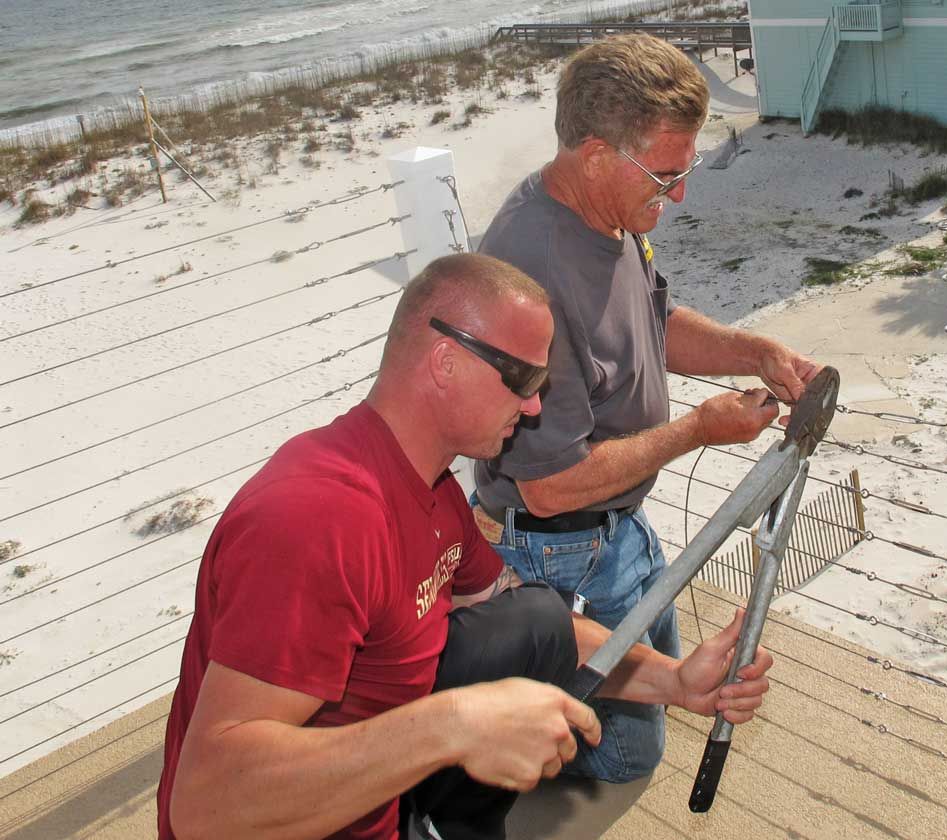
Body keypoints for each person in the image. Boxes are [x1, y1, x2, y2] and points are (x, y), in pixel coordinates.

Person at [157, 253, 774, 840]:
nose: (535, 405)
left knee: (531, 616)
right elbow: (207, 805)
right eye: (524, 378)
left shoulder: (428, 488)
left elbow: (548, 630)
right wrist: (452, 727)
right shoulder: (318, 519)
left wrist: (677, 682)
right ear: (445, 362)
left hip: (376, 800)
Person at [474, 33, 821, 784]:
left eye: (685, 169)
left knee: (658, 691)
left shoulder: (611, 215)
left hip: (617, 526)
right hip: (557, 545)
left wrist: (752, 351)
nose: (681, 194)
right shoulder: (528, 279)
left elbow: (654, 323)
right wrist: (698, 430)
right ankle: (504, 730)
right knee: (632, 755)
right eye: (667, 174)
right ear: (596, 153)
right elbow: (549, 485)